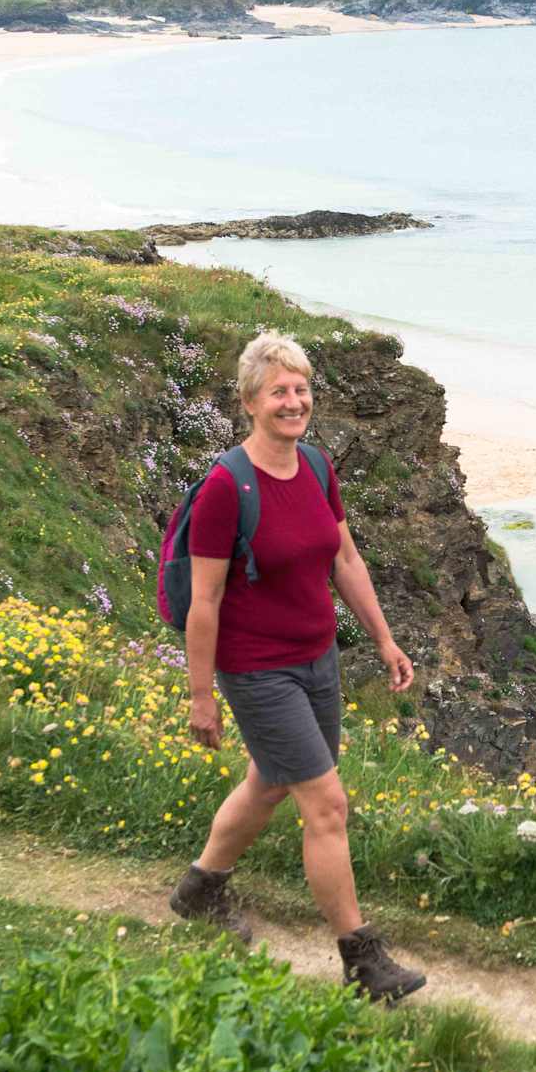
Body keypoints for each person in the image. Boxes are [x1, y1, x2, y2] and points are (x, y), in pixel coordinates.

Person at [168, 330, 426, 1003]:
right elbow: (206, 601)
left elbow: (346, 561)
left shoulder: (315, 467)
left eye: (301, 388)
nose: (294, 400)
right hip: (256, 669)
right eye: (279, 390)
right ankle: (362, 961)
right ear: (251, 400)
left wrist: (385, 641)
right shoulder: (229, 486)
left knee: (270, 784)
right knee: (327, 804)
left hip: (317, 661)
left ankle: (201, 888)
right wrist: (202, 696)